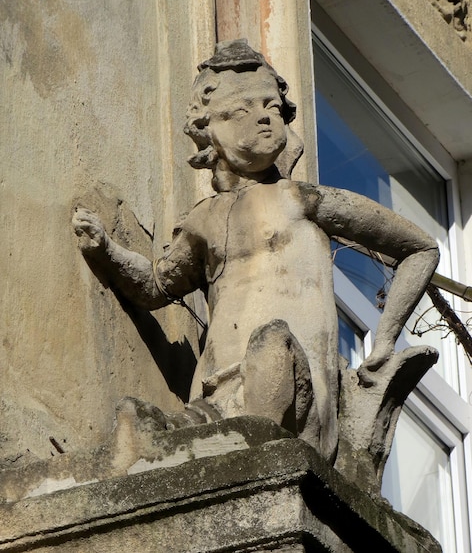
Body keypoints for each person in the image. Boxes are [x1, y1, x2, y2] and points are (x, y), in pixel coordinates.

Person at [73, 40, 439, 463]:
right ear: (208, 128)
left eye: (273, 108)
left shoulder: (301, 200)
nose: (264, 117)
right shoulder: (203, 220)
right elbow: (156, 284)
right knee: (140, 420)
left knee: (271, 345)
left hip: (295, 397)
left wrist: (384, 340)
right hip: (217, 391)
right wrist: (105, 249)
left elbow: (420, 248)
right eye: (240, 110)